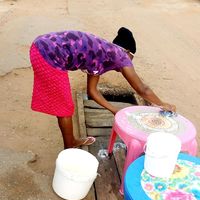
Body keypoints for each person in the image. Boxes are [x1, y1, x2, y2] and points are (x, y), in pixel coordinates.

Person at [30, 27, 176, 149]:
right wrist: (162, 104)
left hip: (41, 47)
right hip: (49, 53)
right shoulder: (120, 55)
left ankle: (71, 142)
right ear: (127, 52)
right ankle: (69, 148)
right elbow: (142, 89)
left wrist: (114, 110)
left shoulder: (102, 53)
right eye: (132, 58)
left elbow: (92, 91)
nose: (130, 63)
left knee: (64, 106)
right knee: (65, 108)